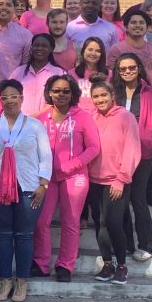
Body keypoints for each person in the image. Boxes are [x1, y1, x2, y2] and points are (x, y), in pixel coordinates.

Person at [0, 80, 52, 302]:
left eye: (14, 96)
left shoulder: (34, 125)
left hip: (29, 187)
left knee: (24, 235)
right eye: (5, 97)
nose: (9, 100)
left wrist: (43, 184)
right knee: (2, 235)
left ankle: (21, 281)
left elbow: (46, 156)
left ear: (21, 98)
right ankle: (5, 280)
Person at [33, 75, 101, 282]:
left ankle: (65, 265)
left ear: (73, 93)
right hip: (46, 178)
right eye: (56, 90)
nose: (61, 94)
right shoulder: (40, 117)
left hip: (75, 176)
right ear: (49, 92)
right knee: (41, 221)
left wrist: (71, 166)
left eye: (65, 91)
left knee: (70, 222)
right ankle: (40, 263)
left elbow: (93, 148)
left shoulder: (83, 117)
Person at [111, 53, 152, 263]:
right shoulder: (113, 92)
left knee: (138, 199)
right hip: (117, 153)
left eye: (131, 67)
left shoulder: (151, 93)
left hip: (143, 153)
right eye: (122, 68)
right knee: (121, 199)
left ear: (139, 68)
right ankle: (125, 245)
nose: (127, 72)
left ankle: (147, 244)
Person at [88, 81, 141, 285]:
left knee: (113, 222)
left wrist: (121, 179)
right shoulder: (91, 118)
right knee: (100, 223)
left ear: (112, 96)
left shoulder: (125, 117)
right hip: (94, 180)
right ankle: (107, 264)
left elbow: (132, 149)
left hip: (116, 181)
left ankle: (122, 266)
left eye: (103, 95)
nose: (100, 100)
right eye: (96, 97)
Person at [106, 10, 152, 88]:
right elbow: (113, 77)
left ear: (148, 28)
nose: (138, 25)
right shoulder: (116, 50)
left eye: (141, 23)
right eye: (133, 22)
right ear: (125, 27)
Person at [9, 33, 61, 116]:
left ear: (51, 49)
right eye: (36, 45)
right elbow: (8, 96)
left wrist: (36, 116)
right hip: (19, 122)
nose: (40, 48)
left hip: (47, 123)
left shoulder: (59, 73)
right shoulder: (18, 72)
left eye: (44, 46)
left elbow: (60, 100)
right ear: (31, 48)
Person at [0, 0, 32, 76]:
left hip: (12, 86)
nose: (4, 7)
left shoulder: (25, 35)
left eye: (8, 5)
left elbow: (25, 66)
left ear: (14, 9)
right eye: (0, 4)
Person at [70, 37, 109, 111]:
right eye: (90, 50)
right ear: (83, 51)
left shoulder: (109, 74)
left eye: (98, 51)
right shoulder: (72, 73)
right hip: (79, 115)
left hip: (101, 116)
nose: (93, 53)